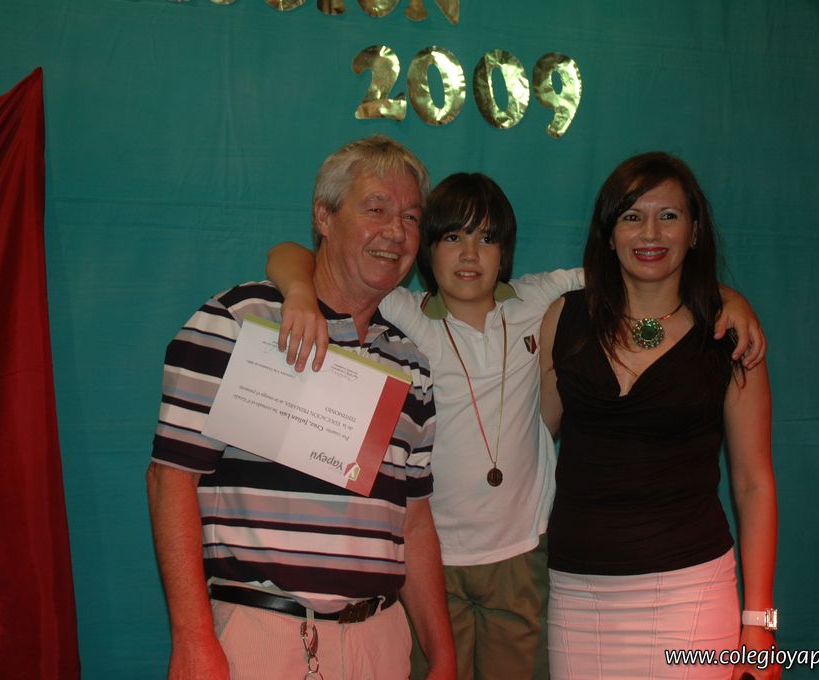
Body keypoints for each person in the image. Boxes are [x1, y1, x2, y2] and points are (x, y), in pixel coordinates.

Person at [268, 172, 766, 680]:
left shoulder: (537, 299)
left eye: (487, 238)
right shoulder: (403, 310)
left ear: (505, 252)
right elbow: (291, 256)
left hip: (523, 555)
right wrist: (300, 292)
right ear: (426, 251)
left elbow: (646, 272)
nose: (469, 255)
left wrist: (727, 298)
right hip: (432, 559)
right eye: (452, 237)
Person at [146, 135, 457, 680]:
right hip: (260, 639)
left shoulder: (411, 367)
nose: (396, 231)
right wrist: (192, 637)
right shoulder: (241, 321)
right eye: (376, 209)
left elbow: (414, 523)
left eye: (411, 217)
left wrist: (443, 655)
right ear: (324, 216)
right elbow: (170, 478)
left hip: (381, 644)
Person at [539, 152, 779, 680]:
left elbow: (754, 482)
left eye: (668, 215)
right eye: (632, 216)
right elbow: (535, 434)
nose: (650, 232)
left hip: (691, 591)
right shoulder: (564, 318)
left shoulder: (730, 335)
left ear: (694, 231)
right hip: (578, 594)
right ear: (608, 234)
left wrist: (760, 622)